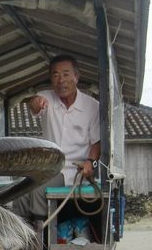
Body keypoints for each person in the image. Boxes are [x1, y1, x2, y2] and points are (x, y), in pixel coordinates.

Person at [13, 54, 100, 222]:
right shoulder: (46, 97)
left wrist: (90, 162)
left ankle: (42, 238)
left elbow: (96, 142)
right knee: (20, 193)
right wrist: (35, 103)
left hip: (76, 172)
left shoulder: (92, 106)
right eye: (55, 75)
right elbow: (36, 104)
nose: (61, 80)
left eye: (66, 74)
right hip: (49, 169)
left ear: (76, 77)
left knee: (38, 192)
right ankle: (21, 240)